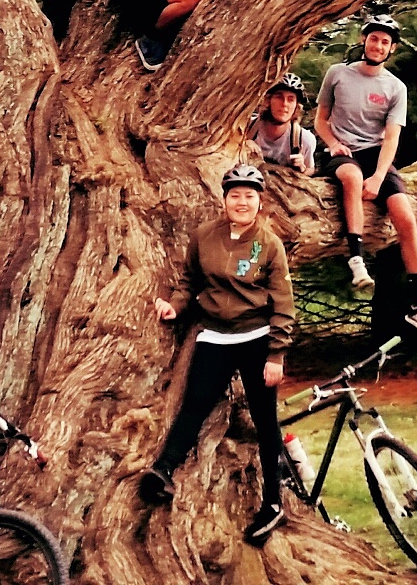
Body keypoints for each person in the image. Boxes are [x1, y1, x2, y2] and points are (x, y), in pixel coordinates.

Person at [138, 163, 295, 547]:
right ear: (224, 199)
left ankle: (273, 503)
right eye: (235, 195)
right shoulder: (203, 237)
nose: (242, 202)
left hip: (257, 336)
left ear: (260, 202)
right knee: (195, 405)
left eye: (249, 196)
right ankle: (163, 470)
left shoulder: (269, 244)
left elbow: (284, 303)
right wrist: (175, 306)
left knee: (264, 418)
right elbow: (189, 281)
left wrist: (276, 355)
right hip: (215, 335)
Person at [314, 14, 417, 336]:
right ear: (363, 39)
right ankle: (356, 260)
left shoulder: (395, 87)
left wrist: (380, 176)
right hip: (341, 151)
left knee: (405, 217)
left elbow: (392, 137)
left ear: (391, 48)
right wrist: (332, 144)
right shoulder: (337, 74)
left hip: (376, 155)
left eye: (385, 41)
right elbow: (320, 120)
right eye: (374, 38)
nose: (378, 44)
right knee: (352, 180)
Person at [247, 73, 315, 174]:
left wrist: (302, 168)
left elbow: (310, 170)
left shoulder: (304, 139)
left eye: (291, 99)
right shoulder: (246, 128)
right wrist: (241, 145)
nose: (284, 104)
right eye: (279, 97)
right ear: (268, 100)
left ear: (297, 106)